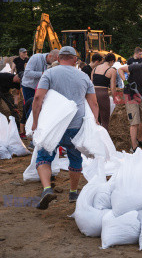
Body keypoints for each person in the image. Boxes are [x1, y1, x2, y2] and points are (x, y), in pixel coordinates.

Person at [32, 46, 99, 209]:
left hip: (53, 125)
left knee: (43, 156)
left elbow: (38, 98)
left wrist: (35, 122)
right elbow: (94, 103)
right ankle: (73, 192)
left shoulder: (49, 73)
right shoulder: (84, 76)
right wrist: (94, 122)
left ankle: (47, 189)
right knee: (75, 158)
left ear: (58, 58)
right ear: (75, 59)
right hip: (76, 125)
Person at [91, 53, 117, 130]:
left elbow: (91, 83)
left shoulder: (95, 68)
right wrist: (115, 98)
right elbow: (113, 88)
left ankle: (95, 139)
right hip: (103, 94)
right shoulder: (112, 70)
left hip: (93, 94)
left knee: (95, 120)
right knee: (105, 120)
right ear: (112, 61)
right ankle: (104, 140)